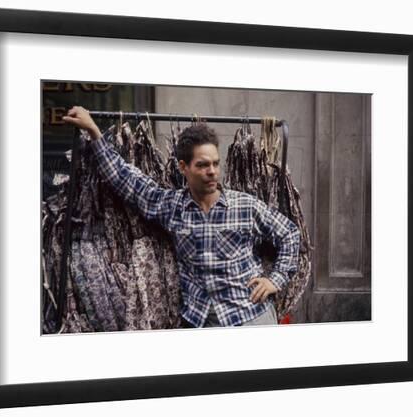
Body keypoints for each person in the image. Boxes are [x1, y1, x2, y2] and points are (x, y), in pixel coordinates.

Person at [63, 106, 300, 328]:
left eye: (216, 164)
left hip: (251, 318)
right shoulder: (172, 207)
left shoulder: (245, 206)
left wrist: (275, 280)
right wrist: (94, 132)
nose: (212, 172)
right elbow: (128, 181)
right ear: (183, 167)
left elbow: (290, 234)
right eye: (203, 165)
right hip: (201, 322)